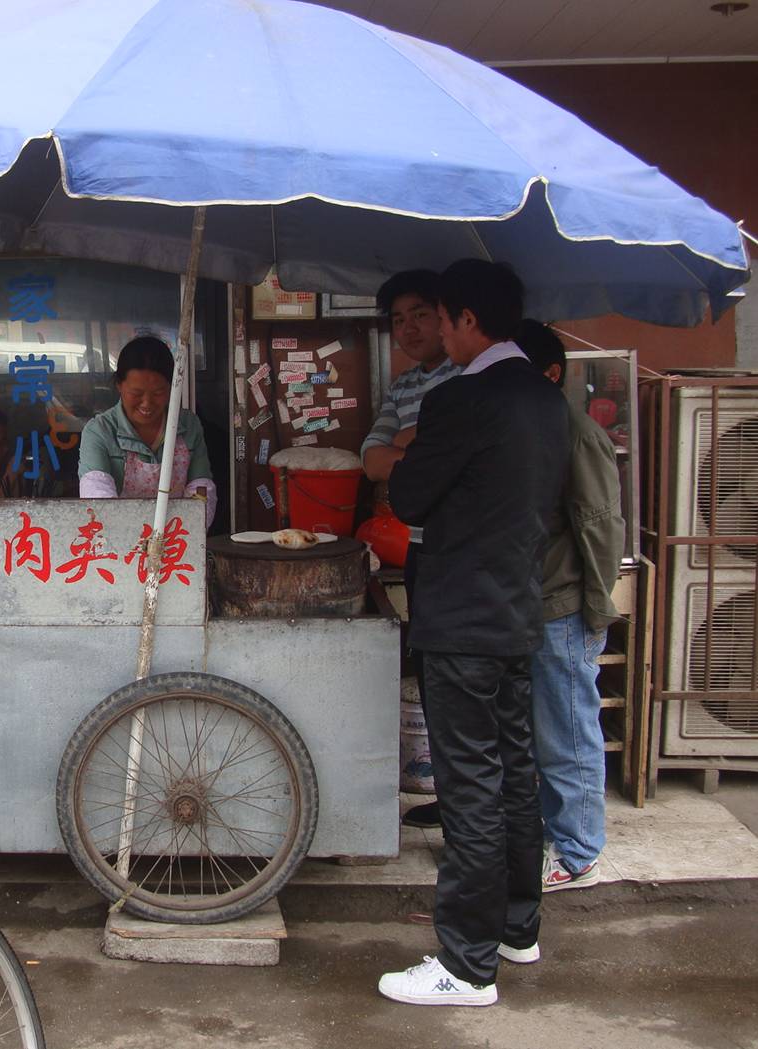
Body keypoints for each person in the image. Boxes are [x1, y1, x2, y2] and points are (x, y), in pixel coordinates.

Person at [380, 260, 569, 1007]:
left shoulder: (463, 396)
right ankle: (517, 928)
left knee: (470, 785)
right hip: (517, 610)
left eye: (442, 320)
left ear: (463, 319)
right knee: (514, 776)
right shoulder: (546, 398)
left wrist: (412, 457)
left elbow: (406, 491)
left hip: (460, 618)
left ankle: (464, 963)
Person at [516, 319, 624, 893]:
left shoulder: (576, 432)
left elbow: (601, 526)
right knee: (545, 730)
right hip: (535, 603)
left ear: (549, 374)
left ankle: (579, 852)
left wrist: (597, 606)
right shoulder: (540, 429)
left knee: (569, 733)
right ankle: (559, 834)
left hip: (564, 606)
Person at [361, 269, 462, 831]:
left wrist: (409, 445)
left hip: (463, 548)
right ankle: (451, 798)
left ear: (446, 316)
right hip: (420, 548)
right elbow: (371, 459)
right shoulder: (402, 387)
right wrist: (410, 444)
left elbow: (450, 449)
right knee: (432, 674)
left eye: (419, 315)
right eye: (398, 320)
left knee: (467, 679)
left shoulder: (466, 373)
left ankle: (477, 808)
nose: (408, 328)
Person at [77, 336, 216, 529]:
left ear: (172, 388)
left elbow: (201, 491)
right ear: (119, 385)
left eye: (158, 393)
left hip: (176, 539)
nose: (147, 403)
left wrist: (192, 533)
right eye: (136, 393)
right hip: (119, 540)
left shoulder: (188, 425)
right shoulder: (99, 432)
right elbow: (98, 501)